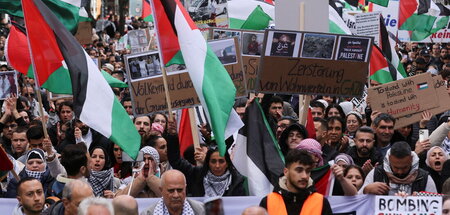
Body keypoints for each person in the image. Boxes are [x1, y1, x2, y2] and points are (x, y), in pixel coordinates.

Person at [167, 132, 246, 197]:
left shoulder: (236, 181)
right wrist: (172, 135)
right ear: (208, 162)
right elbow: (176, 161)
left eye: (221, 161)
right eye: (213, 161)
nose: (217, 166)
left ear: (227, 164)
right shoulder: (197, 174)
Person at [259, 149, 332, 215]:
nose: (304, 176)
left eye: (308, 171)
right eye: (299, 170)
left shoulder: (321, 202)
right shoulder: (268, 202)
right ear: (286, 172)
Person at [360, 141, 437, 195]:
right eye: (396, 167)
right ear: (389, 159)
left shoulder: (424, 178)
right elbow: (356, 202)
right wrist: (367, 190)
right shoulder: (376, 173)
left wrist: (421, 199)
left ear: (411, 159)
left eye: (404, 167)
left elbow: (435, 206)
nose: (400, 172)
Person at [140, 169, 205, 215]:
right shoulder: (148, 213)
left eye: (180, 190)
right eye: (171, 191)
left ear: (185, 189)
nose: (176, 195)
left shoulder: (203, 211)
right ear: (161, 190)